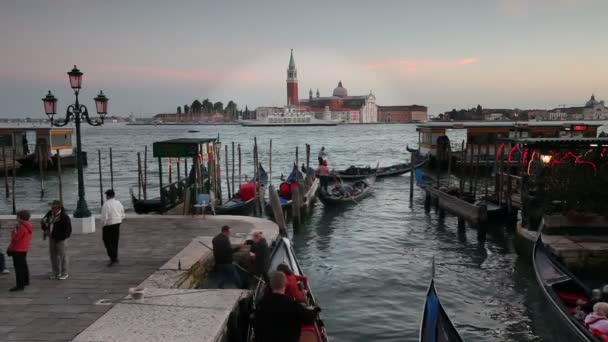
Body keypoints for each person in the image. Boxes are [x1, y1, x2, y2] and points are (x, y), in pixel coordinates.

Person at [254, 271, 319, 342]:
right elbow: (309, 319)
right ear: (285, 284)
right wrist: (316, 309)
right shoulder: (292, 305)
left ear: (271, 285)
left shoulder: (261, 303)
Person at [41, 200, 72, 280]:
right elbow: (43, 222)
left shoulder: (64, 217)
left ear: (59, 208)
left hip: (61, 239)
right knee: (53, 256)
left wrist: (62, 238)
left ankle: (64, 273)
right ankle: (55, 272)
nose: (52, 209)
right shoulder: (49, 214)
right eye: (52, 207)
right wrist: (45, 229)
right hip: (52, 237)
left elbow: (68, 230)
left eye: (54, 207)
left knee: (63, 256)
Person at [7, 210, 32, 291]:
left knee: (18, 268)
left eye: (17, 217)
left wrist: (13, 232)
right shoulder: (28, 225)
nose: (16, 218)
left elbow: (16, 238)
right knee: (23, 265)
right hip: (23, 248)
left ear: (21, 218)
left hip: (18, 249)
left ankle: (20, 285)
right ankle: (25, 281)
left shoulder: (21, 227)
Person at [101, 189, 125, 267]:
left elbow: (105, 217)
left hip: (109, 225)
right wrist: (120, 220)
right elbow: (122, 213)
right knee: (115, 241)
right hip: (117, 223)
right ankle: (115, 257)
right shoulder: (118, 203)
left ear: (107, 196)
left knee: (107, 241)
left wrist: (103, 225)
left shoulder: (106, 204)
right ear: (114, 195)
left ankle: (113, 258)